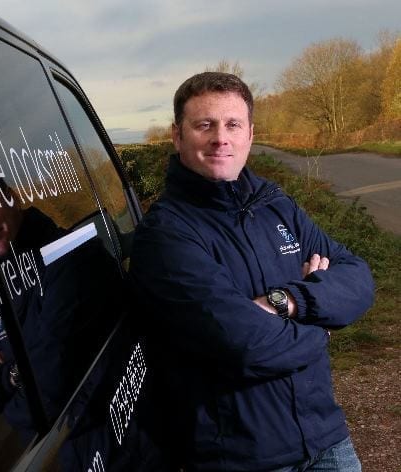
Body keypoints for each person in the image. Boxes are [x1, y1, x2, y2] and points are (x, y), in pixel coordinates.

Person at [129, 72, 374, 471]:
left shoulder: (274, 204)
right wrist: (322, 327)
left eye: (232, 124)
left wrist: (291, 300)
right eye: (204, 125)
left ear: (250, 134)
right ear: (177, 136)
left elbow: (358, 277)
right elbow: (242, 344)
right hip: (242, 456)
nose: (220, 138)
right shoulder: (166, 235)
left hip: (327, 440)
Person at [0, 165, 121, 443]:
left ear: (11, 197)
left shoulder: (71, 254)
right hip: (74, 446)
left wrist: (10, 384)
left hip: (116, 434)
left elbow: (45, 394)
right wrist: (13, 375)